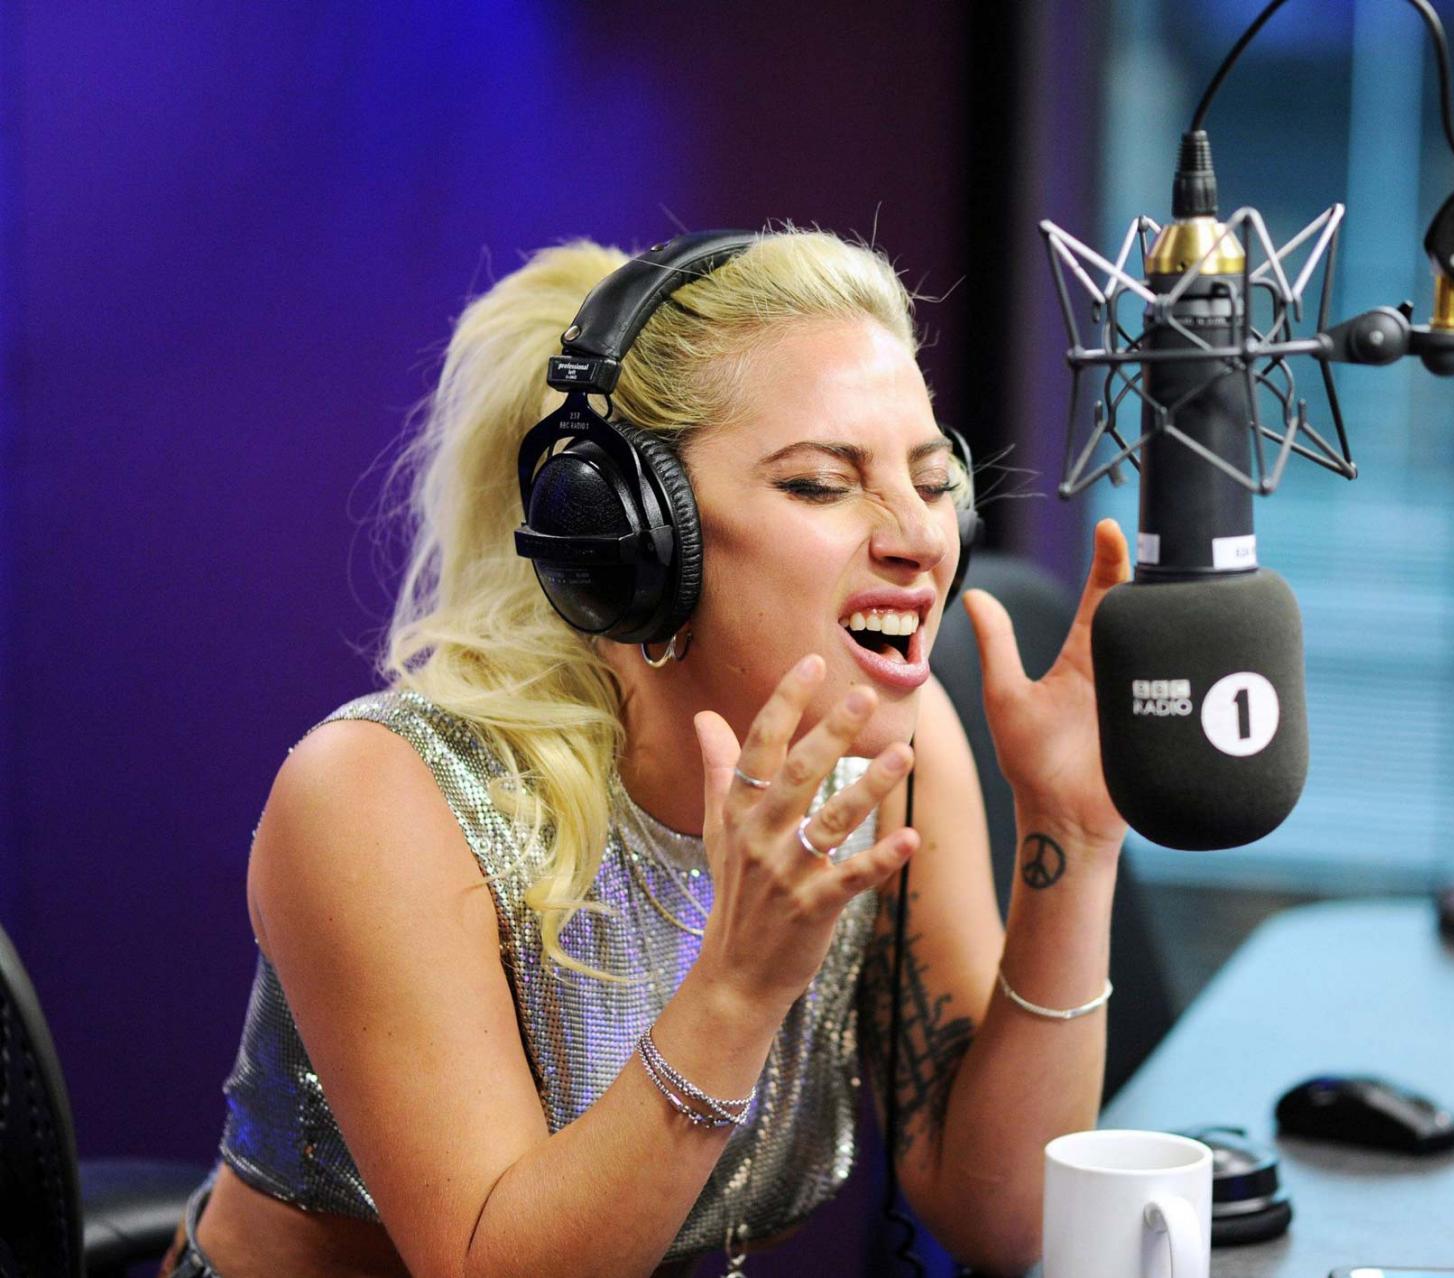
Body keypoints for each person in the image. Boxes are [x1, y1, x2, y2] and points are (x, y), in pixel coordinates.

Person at [161, 229, 1133, 1278]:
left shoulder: (888, 755)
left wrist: (1073, 837)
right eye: (819, 484)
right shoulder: (383, 796)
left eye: (934, 481)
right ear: (631, 538)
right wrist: (739, 986)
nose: (920, 535)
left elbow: (1007, 1220)